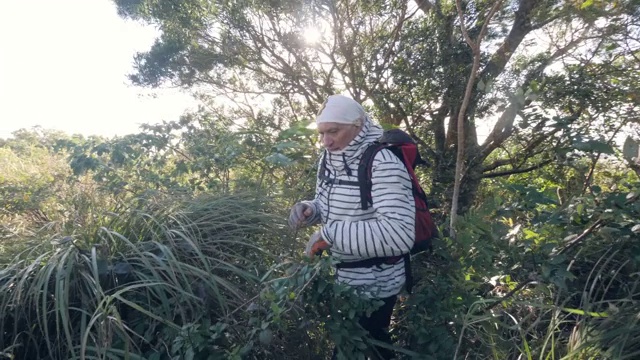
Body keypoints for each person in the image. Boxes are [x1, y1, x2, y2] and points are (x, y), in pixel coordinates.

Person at [288, 94, 416, 359]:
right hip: (344, 279)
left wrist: (329, 234)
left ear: (357, 126)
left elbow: (400, 234)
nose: (326, 141)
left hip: (378, 281)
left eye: (333, 132)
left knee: (359, 347)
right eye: (322, 133)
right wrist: (312, 210)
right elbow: (327, 201)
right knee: (367, 344)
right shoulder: (329, 157)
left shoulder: (383, 163)